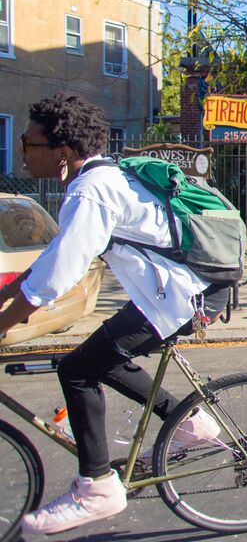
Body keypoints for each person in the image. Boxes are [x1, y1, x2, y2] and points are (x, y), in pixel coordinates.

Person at [0, 94, 222, 535]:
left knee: (79, 369)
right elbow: (59, 257)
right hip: (170, 291)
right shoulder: (100, 178)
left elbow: (57, 276)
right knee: (103, 355)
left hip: (184, 295)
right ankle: (192, 422)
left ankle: (98, 487)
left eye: (28, 144)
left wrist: (5, 321)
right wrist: (12, 290)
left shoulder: (91, 189)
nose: (22, 152)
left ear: (62, 153)